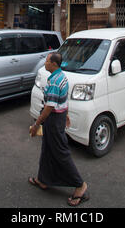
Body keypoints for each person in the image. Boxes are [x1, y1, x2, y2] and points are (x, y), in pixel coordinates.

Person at [29, 52, 89, 206]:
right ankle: (43, 180)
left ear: (54, 64)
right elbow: (64, 99)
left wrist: (36, 125)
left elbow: (49, 108)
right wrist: (66, 115)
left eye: (48, 61)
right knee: (47, 149)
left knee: (60, 152)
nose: (45, 62)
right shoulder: (60, 76)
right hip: (58, 118)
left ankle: (80, 185)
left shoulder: (56, 81)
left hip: (54, 120)